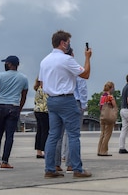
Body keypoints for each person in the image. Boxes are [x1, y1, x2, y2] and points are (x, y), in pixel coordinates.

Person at [39, 30, 92, 178]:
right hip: (66, 99)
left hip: (51, 99)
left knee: (53, 135)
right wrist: (87, 58)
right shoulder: (66, 60)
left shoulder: (45, 61)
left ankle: (50, 168)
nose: (69, 45)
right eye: (68, 42)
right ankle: (77, 168)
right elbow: (85, 74)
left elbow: (42, 84)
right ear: (63, 43)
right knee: (73, 135)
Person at [0, 55, 29, 170]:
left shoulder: (0, 76)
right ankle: (5, 161)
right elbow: (23, 96)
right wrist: (19, 108)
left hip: (0, 105)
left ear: (9, 64)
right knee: (9, 135)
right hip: (13, 106)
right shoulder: (23, 78)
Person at [97, 81, 117, 156]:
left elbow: (100, 106)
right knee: (107, 134)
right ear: (111, 88)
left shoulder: (102, 96)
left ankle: (99, 150)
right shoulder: (110, 97)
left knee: (102, 133)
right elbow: (114, 106)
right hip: (108, 117)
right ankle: (104, 151)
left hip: (102, 116)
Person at [33, 79, 48, 159]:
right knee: (45, 131)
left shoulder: (38, 89)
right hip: (44, 111)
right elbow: (47, 101)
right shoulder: (45, 89)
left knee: (39, 131)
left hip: (37, 111)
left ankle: (38, 151)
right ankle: (45, 150)